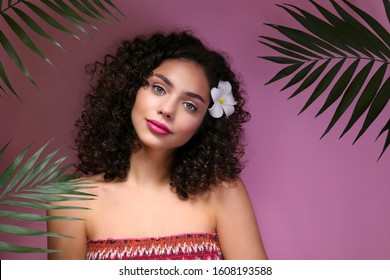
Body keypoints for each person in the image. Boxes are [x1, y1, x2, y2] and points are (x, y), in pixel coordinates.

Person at [47, 30, 267, 260]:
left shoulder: (224, 193)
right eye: (159, 89)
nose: (168, 110)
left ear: (205, 124)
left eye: (190, 105)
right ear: (131, 88)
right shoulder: (70, 202)